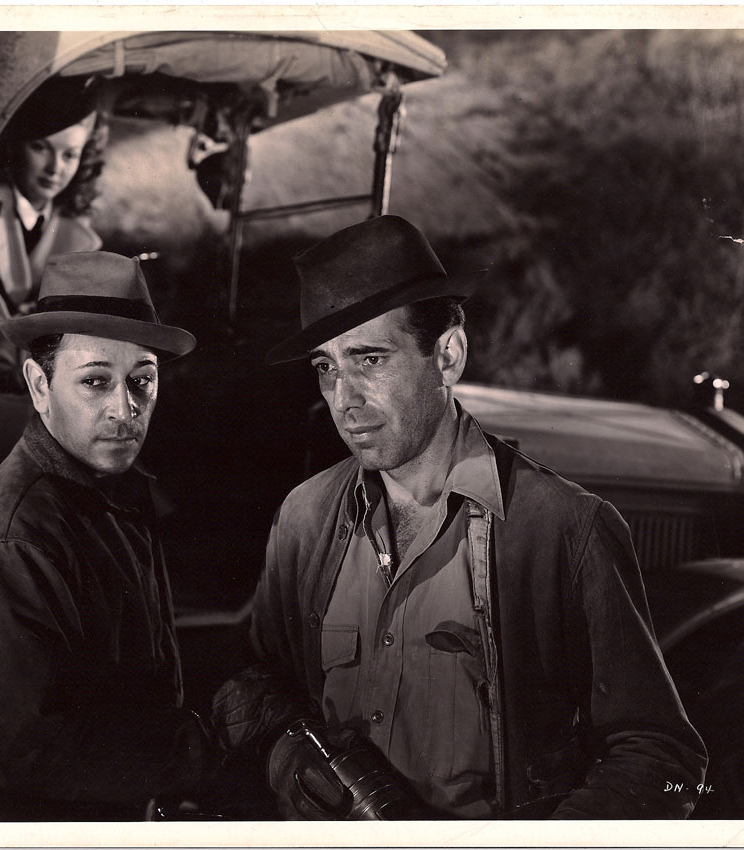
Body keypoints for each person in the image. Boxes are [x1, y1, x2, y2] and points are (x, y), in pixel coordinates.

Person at [212, 215, 708, 820]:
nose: (344, 399)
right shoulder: (305, 516)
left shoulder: (564, 530)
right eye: (326, 367)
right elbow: (257, 684)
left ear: (447, 355)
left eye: (370, 360)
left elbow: (659, 757)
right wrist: (292, 757)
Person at [0, 251, 215, 820]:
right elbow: (40, 755)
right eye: (95, 381)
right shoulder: (10, 545)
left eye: (142, 381)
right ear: (38, 385)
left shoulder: (109, 495)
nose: (125, 409)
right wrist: (209, 744)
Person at [0, 74, 107, 388]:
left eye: (70, 155)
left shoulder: (80, 237)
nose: (55, 168)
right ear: (15, 145)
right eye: (41, 148)